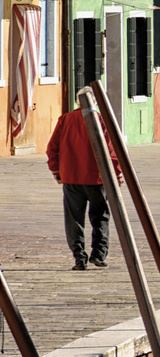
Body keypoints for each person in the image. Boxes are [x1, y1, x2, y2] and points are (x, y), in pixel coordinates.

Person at [46, 102, 120, 271]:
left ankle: (79, 258)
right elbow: (111, 150)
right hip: (97, 179)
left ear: (78, 103)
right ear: (95, 103)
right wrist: (117, 174)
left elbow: (52, 148)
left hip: (71, 177)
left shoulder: (65, 120)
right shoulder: (101, 120)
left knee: (74, 219)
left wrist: (56, 170)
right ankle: (99, 254)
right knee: (100, 216)